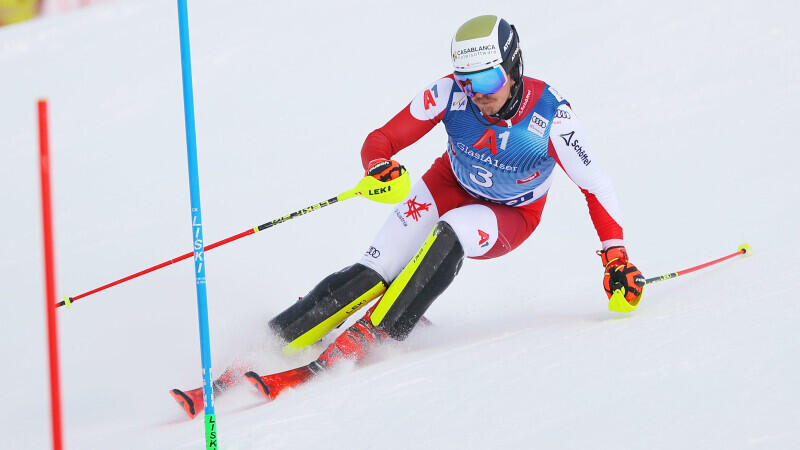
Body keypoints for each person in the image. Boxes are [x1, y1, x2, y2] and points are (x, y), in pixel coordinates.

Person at [254, 14, 646, 398]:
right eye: (466, 79)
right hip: (447, 184)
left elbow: (596, 186)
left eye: (489, 78)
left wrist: (616, 257)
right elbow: (381, 138)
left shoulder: (553, 117)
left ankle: (377, 332)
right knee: (375, 270)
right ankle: (272, 339)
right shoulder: (449, 94)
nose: (477, 92)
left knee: (454, 228)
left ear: (513, 67)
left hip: (510, 215)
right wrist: (379, 166)